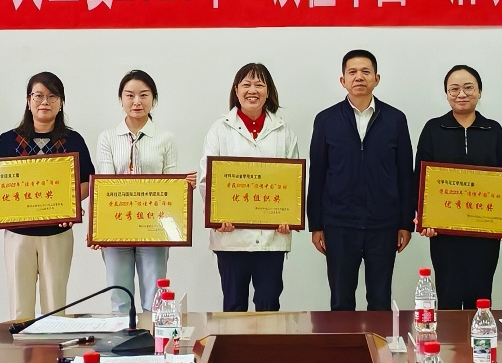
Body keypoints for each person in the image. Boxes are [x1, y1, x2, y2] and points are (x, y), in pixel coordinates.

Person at [308, 49, 414, 311]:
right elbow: (318, 173)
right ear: (342, 80)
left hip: (384, 224)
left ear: (376, 79)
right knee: (341, 299)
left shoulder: (395, 119)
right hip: (339, 223)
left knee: (380, 299)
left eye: (366, 72)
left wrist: (405, 222)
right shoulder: (326, 120)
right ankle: (344, 341)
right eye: (352, 72)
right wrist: (316, 225)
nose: (359, 77)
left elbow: (405, 173)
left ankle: (379, 340)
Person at [0, 72, 95, 323]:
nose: (45, 102)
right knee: (19, 309)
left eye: (52, 96)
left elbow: (87, 182)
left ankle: (53, 348)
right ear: (28, 101)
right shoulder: (8, 141)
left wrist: (70, 204)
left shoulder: (73, 141)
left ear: (61, 103)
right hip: (18, 235)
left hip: (57, 234)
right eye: (38, 96)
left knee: (55, 307)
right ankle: (23, 348)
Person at [196, 63, 302, 312]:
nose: (252, 90)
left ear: (268, 91)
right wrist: (218, 216)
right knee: (234, 307)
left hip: (272, 238)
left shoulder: (283, 130)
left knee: (269, 305)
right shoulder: (219, 129)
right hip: (230, 237)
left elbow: (294, 181)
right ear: (236, 90)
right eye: (246, 84)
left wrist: (289, 216)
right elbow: (207, 179)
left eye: (259, 85)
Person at [415, 65, 502, 310]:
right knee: (448, 296)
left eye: (468, 88)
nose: (461, 94)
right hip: (444, 233)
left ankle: (479, 335)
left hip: (484, 232)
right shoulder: (433, 129)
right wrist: (423, 217)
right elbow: (421, 178)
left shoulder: (493, 129)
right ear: (446, 94)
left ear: (479, 92)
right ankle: (448, 337)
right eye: (454, 89)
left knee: (480, 297)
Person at [95, 69, 181, 314]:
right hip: (117, 227)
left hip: (154, 227)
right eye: (129, 95)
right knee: (120, 298)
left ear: (153, 99)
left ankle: (153, 338)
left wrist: (181, 188)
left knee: (155, 299)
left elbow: (169, 185)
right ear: (121, 99)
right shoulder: (107, 138)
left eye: (144, 95)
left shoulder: (166, 138)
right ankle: (123, 339)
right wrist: (99, 229)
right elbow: (105, 185)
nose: (137, 101)